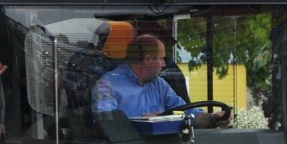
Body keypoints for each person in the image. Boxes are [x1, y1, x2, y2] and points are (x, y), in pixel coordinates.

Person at [93, 34, 229, 128]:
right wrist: (144, 123)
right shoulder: (105, 85)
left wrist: (212, 118)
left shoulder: (159, 84)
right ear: (147, 59)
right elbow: (107, 122)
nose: (164, 64)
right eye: (161, 58)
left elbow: (187, 113)